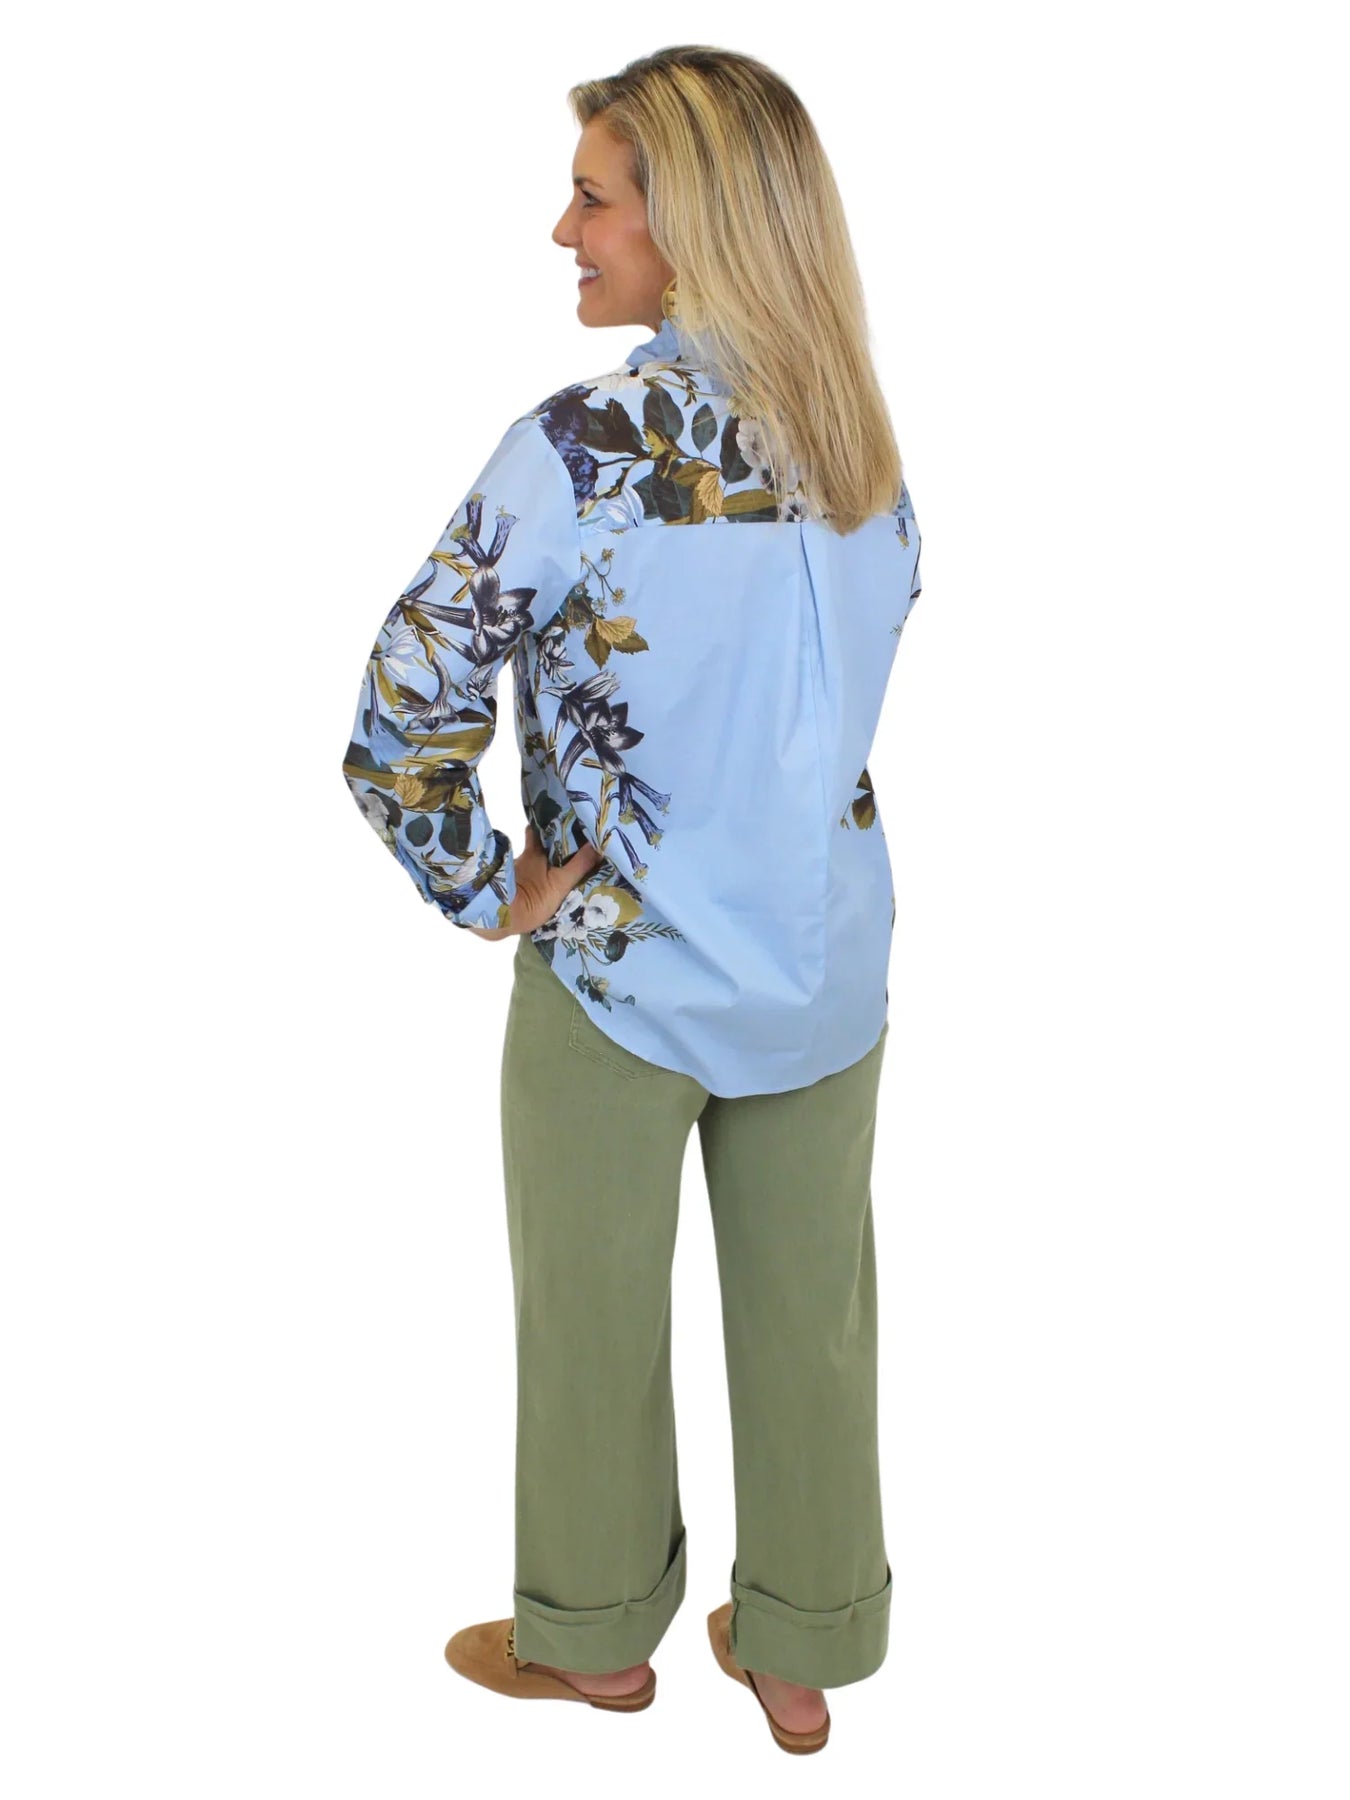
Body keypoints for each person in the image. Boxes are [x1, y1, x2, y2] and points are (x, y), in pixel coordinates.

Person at [340, 44, 924, 1756]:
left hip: (616, 967)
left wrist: (483, 886)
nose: (563, 231)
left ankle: (595, 1642)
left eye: (593, 198)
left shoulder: (583, 446)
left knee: (589, 1314)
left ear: (696, 220)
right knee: (814, 1322)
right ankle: (801, 1651)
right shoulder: (863, 442)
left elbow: (404, 699)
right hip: (822, 959)